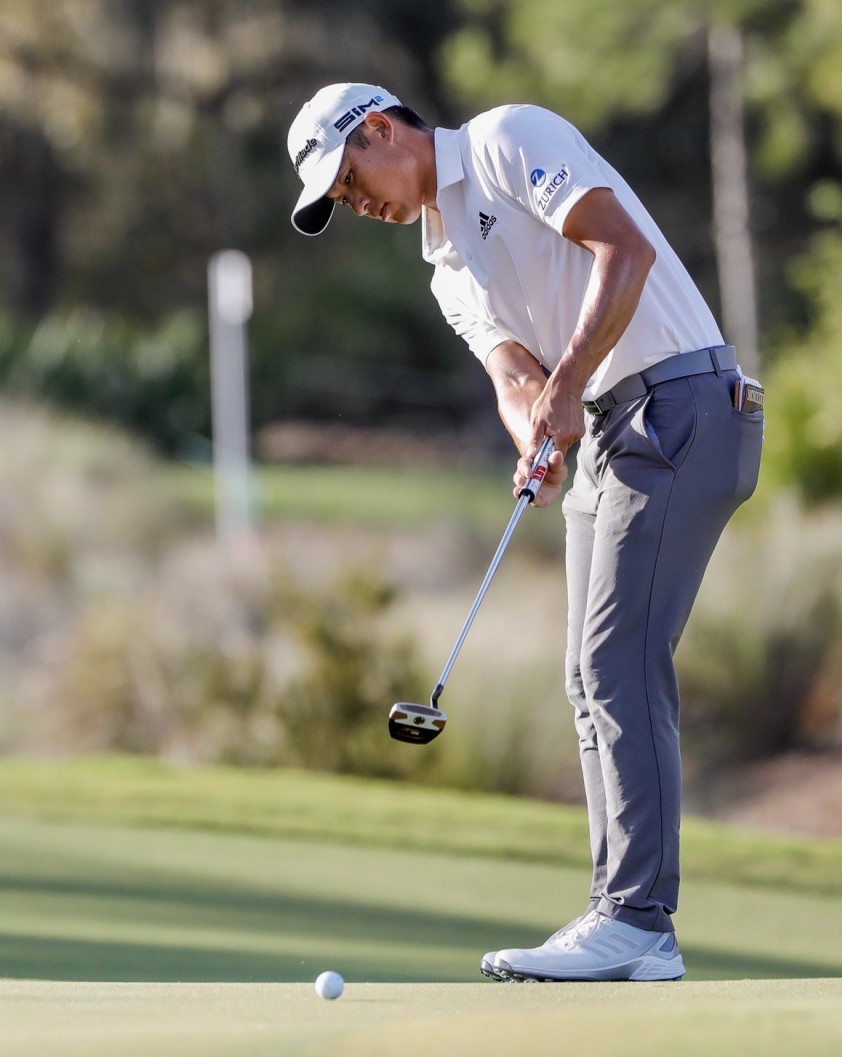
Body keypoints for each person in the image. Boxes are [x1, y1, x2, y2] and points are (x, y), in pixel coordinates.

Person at [286, 83, 763, 982]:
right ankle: (618, 914)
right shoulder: (446, 268)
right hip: (618, 433)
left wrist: (569, 383)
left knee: (618, 662)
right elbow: (514, 376)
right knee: (586, 674)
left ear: (381, 130)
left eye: (351, 182)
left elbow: (621, 249)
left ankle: (638, 921)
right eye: (344, 202)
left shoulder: (508, 140)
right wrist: (536, 439)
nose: (359, 207)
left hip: (683, 406)